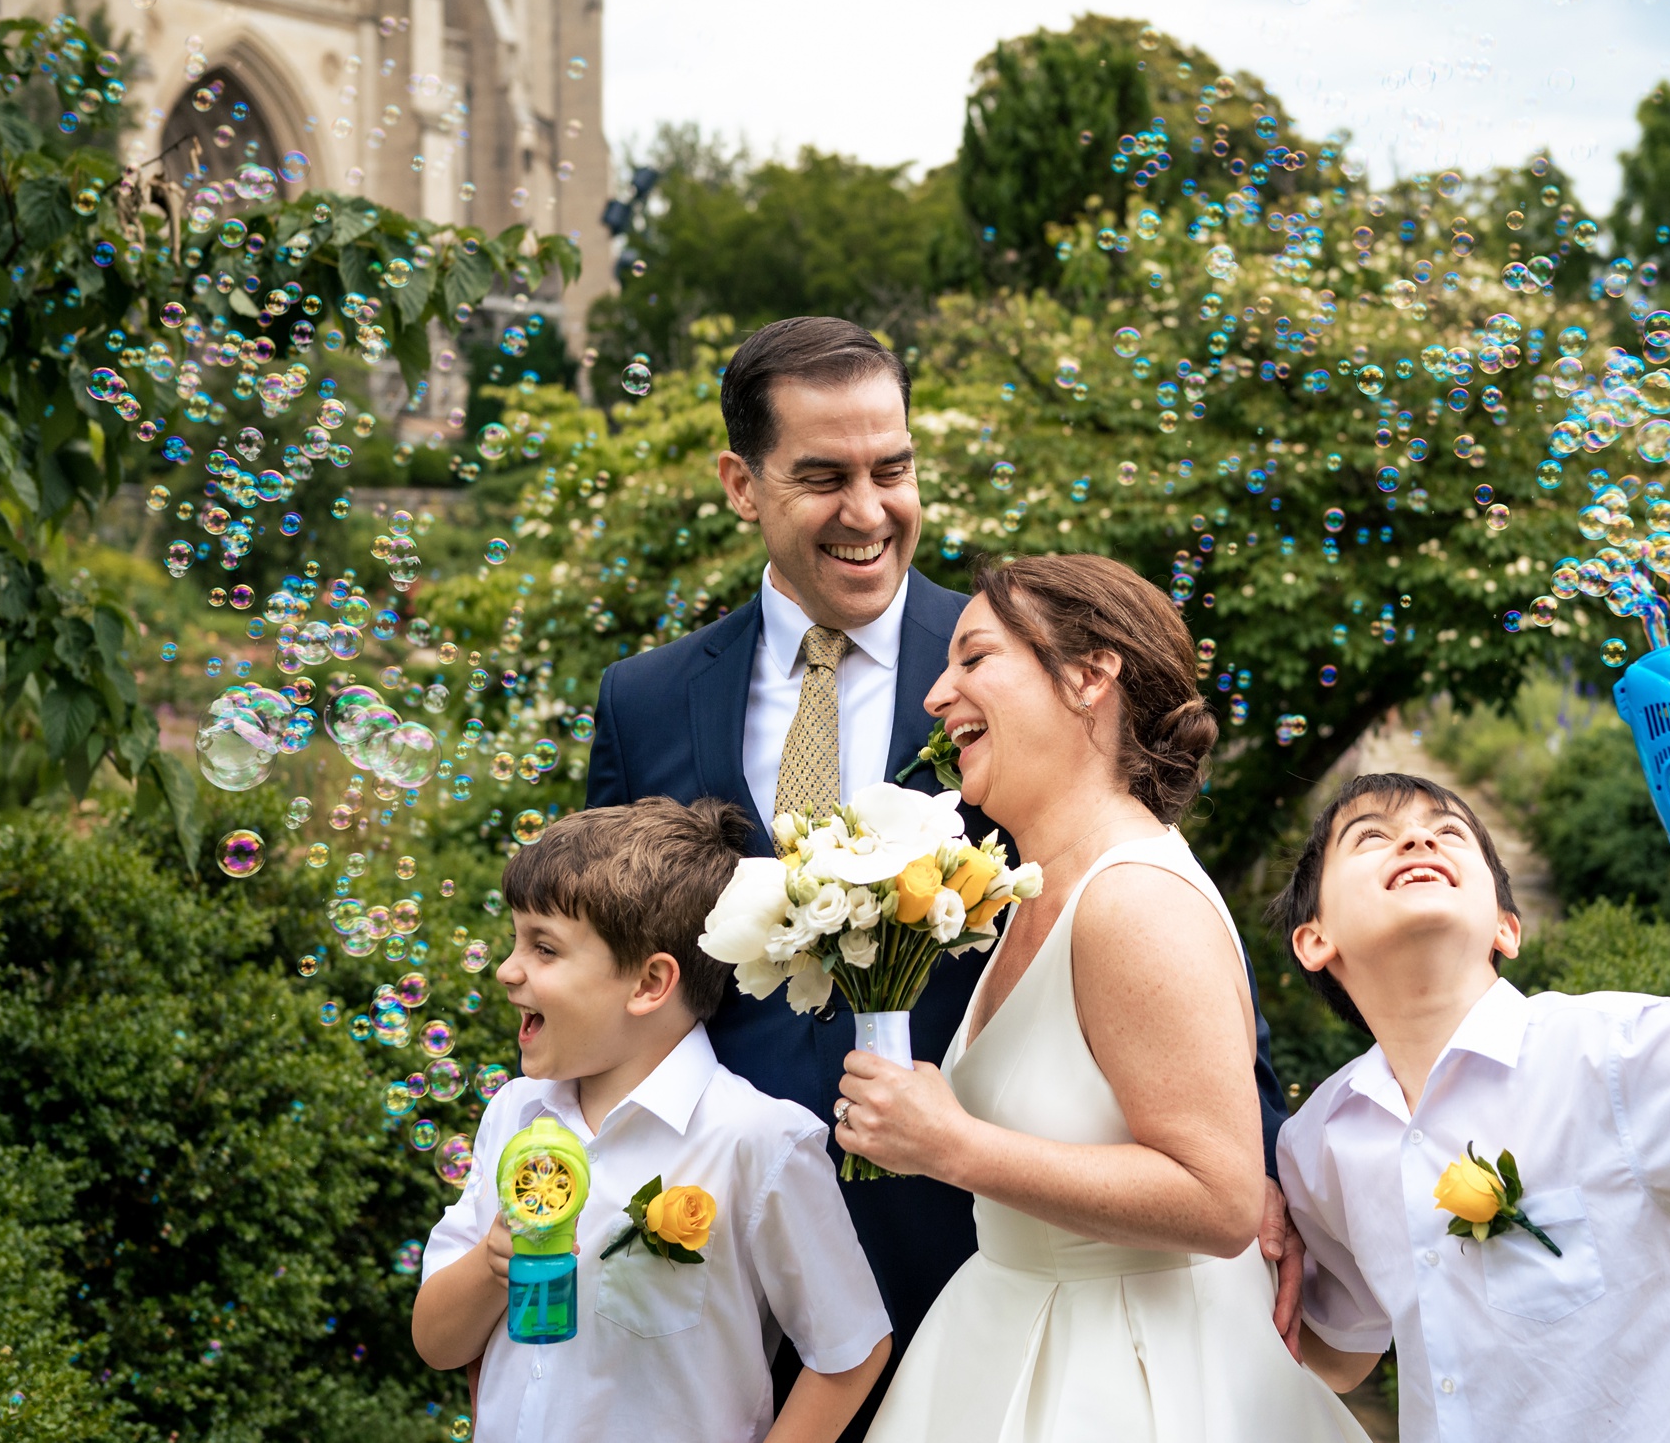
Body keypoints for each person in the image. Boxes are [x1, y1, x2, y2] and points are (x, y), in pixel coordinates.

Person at [581, 317, 1301, 1425]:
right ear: (741, 482)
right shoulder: (645, 697)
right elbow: (600, 957)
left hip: (974, 1242)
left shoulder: (1013, 670)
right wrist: (546, 1189)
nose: (868, 511)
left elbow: (1164, 925)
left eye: (892, 468)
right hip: (708, 1237)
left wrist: (1253, 1165)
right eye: (822, 475)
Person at [835, 554, 1370, 1443]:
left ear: (1089, 676)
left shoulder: (1135, 898)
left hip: (1131, 1375)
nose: (936, 694)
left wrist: (953, 1143)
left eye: (974, 658)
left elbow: (1220, 1197)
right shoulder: (1034, 891)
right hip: (1012, 1332)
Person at [1266, 766, 1670, 1443]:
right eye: (1372, 835)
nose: (1416, 841)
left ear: (1506, 927)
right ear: (1315, 939)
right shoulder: (1320, 1139)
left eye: (1448, 831)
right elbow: (1343, 1353)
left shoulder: (1620, 1055)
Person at [412, 797, 893, 1443]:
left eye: (544, 947)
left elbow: (852, 1348)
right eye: (514, 939)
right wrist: (489, 1263)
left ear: (649, 983)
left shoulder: (755, 1140)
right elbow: (438, 1343)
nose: (507, 969)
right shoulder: (515, 1112)